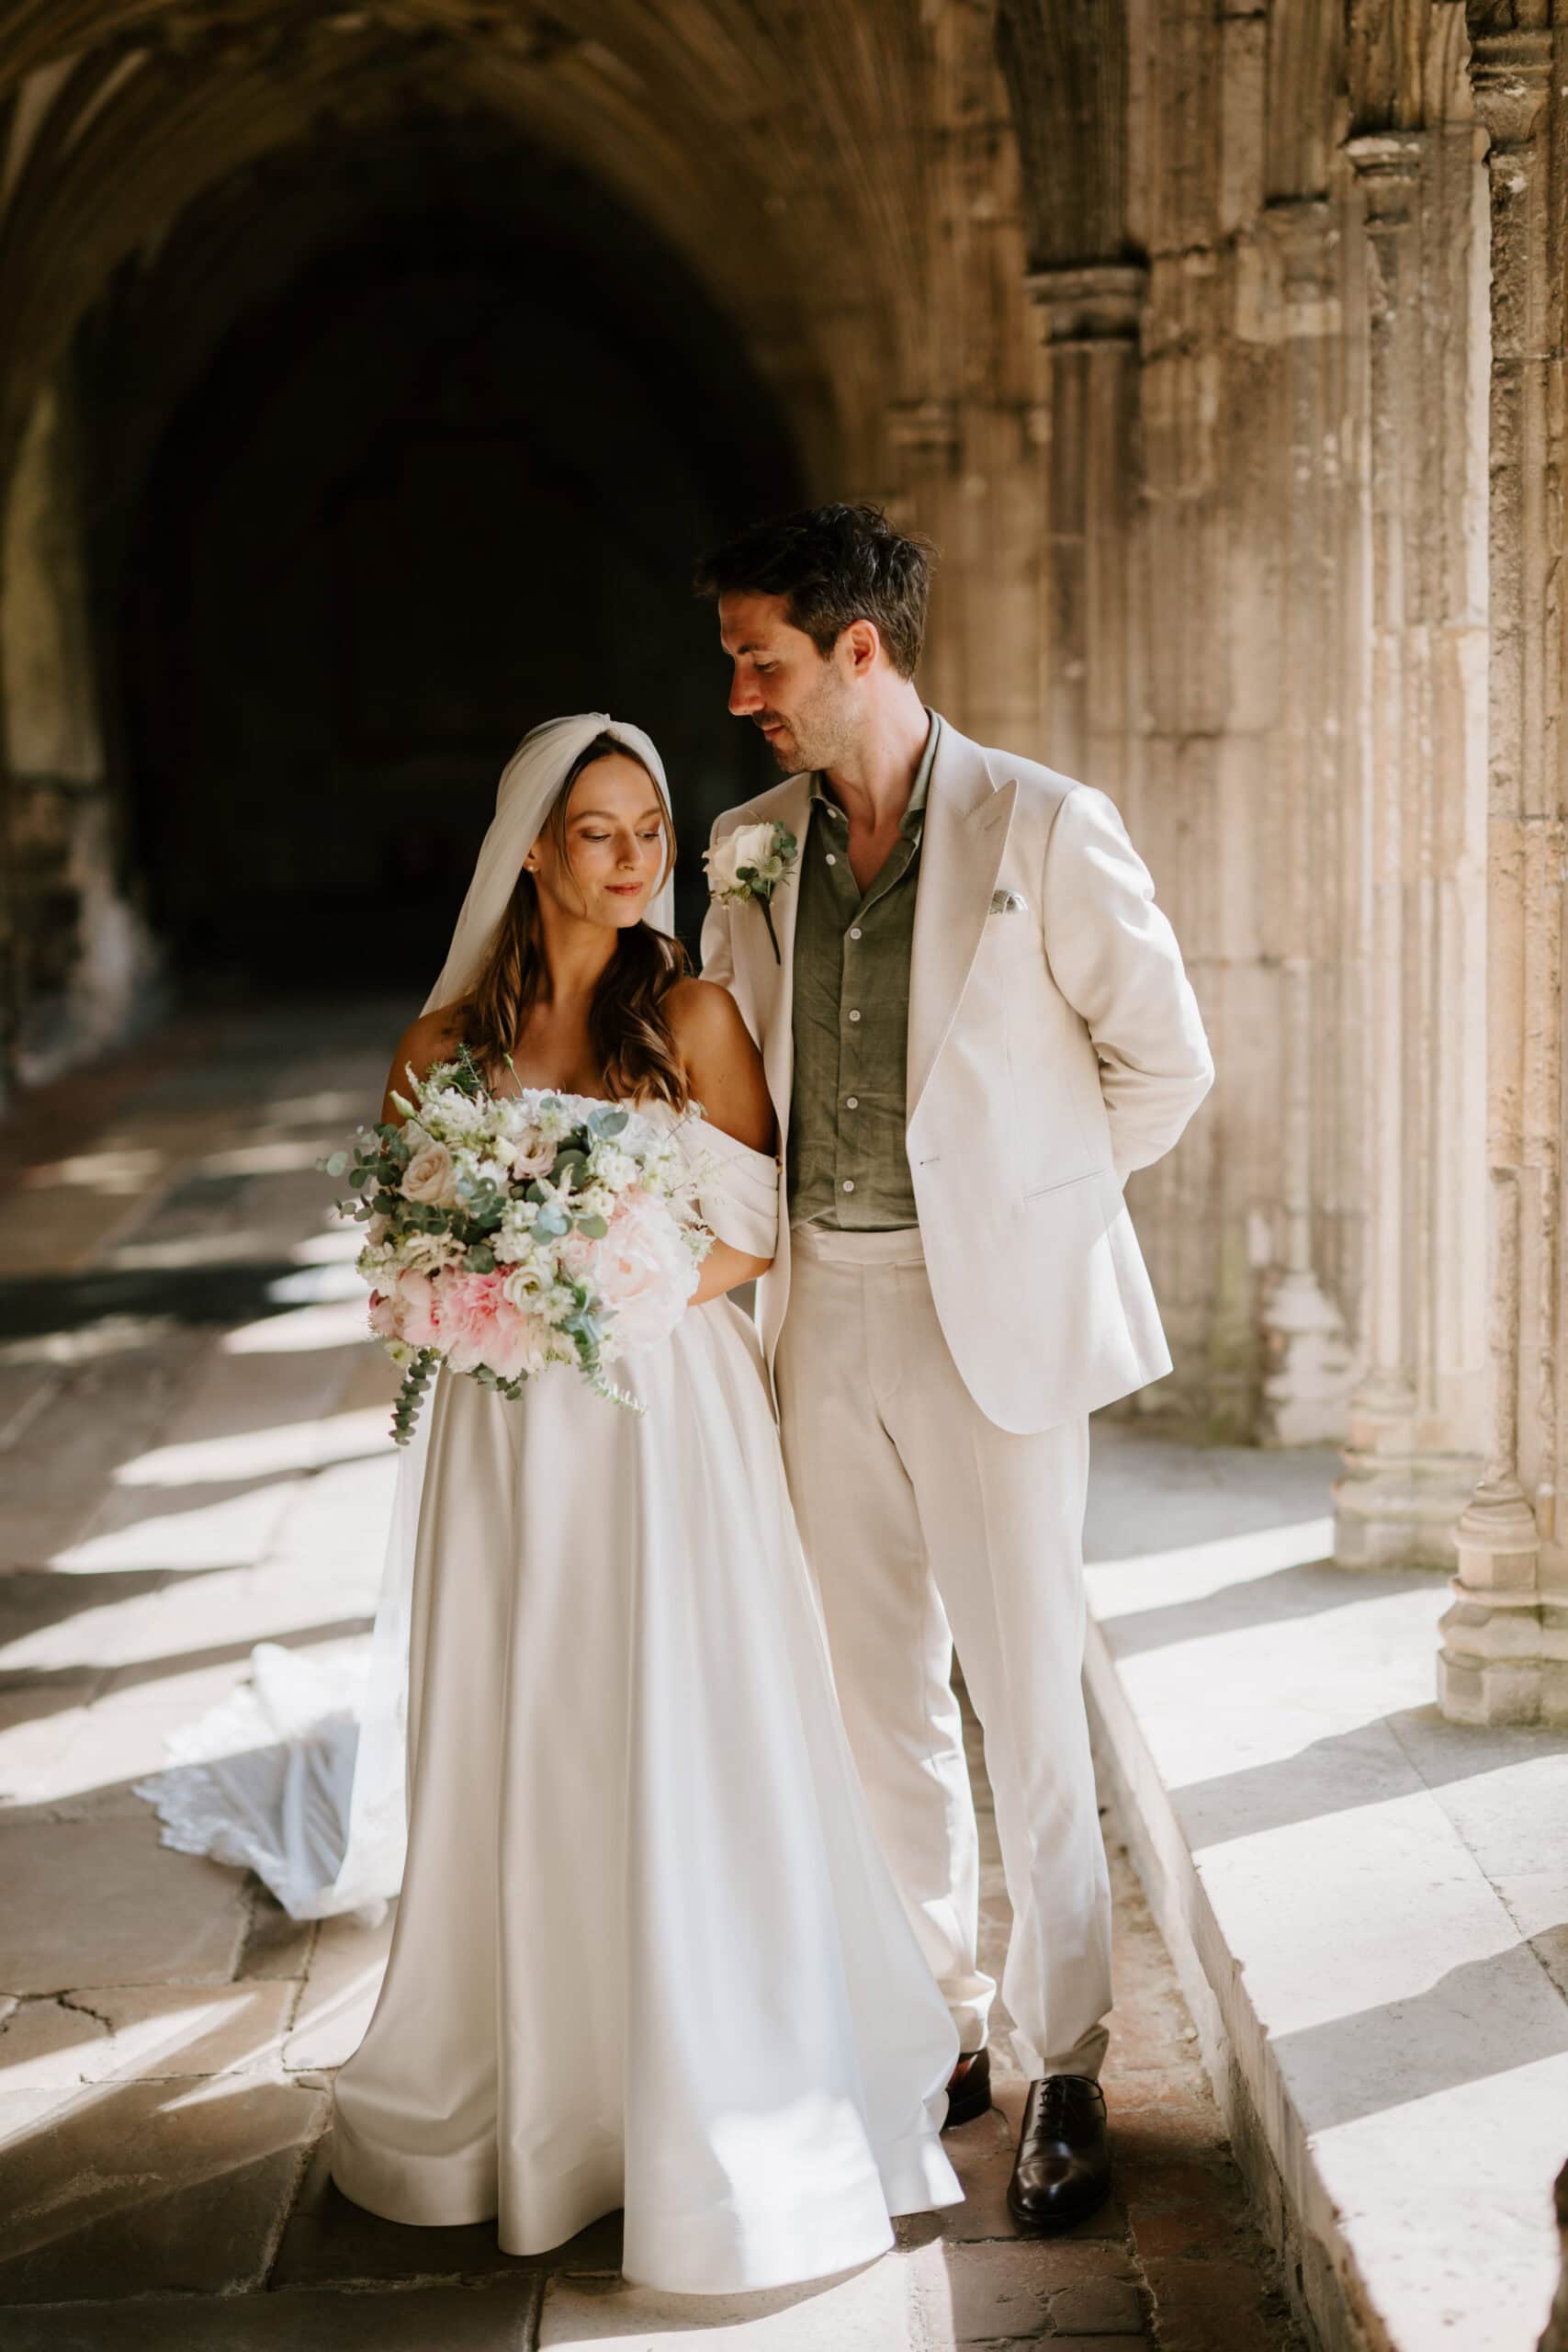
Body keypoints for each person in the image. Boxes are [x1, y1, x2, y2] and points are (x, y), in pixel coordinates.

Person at [327, 713, 963, 2293]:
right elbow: (401, 1259)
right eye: (597, 830)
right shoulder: (443, 1049)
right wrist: (477, 1286)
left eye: (650, 829)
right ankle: (536, 2093)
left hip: (664, 1418)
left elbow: (752, 1230)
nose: (631, 859)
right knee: (525, 1727)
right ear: (533, 849)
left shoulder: (693, 1014)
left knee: (678, 1726)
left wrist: (610, 1275)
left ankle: (704, 2079)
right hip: (502, 1443)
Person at [695, 507, 1214, 2234]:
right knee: (872, 1699)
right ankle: (928, 2035)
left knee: (1026, 1693)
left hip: (988, 1313)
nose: (743, 697)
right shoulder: (747, 847)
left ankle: (1065, 2058)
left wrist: (1023, 1215)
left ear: (863, 650)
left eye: (764, 660)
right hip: (817, 1309)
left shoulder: (1047, 826)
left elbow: (1165, 1064)